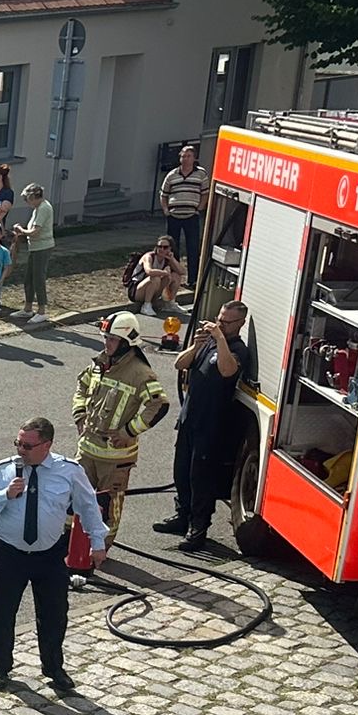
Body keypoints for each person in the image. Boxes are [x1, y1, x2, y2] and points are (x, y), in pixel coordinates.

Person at [0, 417, 110, 694]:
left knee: (54, 613)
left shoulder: (68, 471)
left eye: (27, 446)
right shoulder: (4, 469)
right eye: (18, 443)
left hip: (49, 555)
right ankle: (0, 665)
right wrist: (4, 495)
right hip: (8, 553)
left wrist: (98, 543)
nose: (20, 450)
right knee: (1, 611)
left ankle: (54, 667)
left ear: (47, 445)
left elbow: (88, 506)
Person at [69, 311, 169, 578]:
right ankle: (69, 545)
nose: (107, 343)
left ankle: (99, 552)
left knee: (108, 506)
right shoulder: (100, 363)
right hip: (87, 448)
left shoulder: (140, 373)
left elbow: (159, 405)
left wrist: (129, 431)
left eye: (112, 339)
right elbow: (82, 386)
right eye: (105, 338)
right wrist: (80, 414)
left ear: (126, 342)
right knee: (73, 497)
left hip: (115, 457)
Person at [160, 300, 254, 551]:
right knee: (181, 472)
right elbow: (180, 363)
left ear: (240, 323)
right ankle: (182, 516)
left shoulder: (237, 349)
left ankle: (198, 528)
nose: (220, 324)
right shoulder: (209, 342)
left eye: (227, 322)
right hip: (190, 418)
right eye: (219, 319)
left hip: (212, 425)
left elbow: (227, 370)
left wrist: (220, 339)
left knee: (200, 478)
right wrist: (196, 345)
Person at [160, 144, 208, 288]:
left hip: (191, 215)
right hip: (174, 215)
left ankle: (192, 279)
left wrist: (199, 208)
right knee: (173, 249)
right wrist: (166, 210)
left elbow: (205, 193)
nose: (185, 159)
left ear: (194, 158)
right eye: (183, 156)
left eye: (188, 156)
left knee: (192, 248)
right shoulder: (172, 175)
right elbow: (163, 194)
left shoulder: (201, 174)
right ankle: (174, 278)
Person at [11, 184, 55, 322]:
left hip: (42, 248)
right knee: (29, 279)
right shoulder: (38, 208)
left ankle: (41, 311)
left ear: (33, 197)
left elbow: (35, 232)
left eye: (27, 199)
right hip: (35, 248)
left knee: (38, 279)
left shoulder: (44, 208)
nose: (27, 203)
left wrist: (21, 230)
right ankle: (28, 308)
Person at [132, 237, 184, 315]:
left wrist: (172, 259)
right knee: (155, 277)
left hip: (154, 290)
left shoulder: (167, 259)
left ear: (170, 248)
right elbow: (149, 271)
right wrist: (164, 273)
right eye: (159, 246)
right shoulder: (149, 256)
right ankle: (146, 305)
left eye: (165, 247)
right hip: (137, 290)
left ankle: (169, 304)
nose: (162, 249)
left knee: (176, 276)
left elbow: (182, 272)